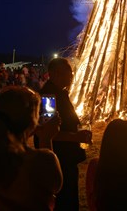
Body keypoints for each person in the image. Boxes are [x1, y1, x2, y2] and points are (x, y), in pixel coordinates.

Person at [0, 86, 63, 210]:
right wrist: (46, 139)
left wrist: (28, 131)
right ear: (33, 120)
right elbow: (55, 186)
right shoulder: (41, 159)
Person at [39, 57, 92, 211]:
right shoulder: (49, 97)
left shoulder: (60, 93)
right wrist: (76, 137)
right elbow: (47, 131)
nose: (72, 77)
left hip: (66, 157)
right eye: (69, 73)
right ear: (55, 74)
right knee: (64, 201)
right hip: (58, 159)